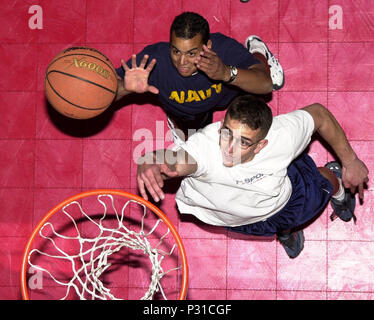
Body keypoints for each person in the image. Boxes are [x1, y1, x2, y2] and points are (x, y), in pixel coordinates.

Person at [136, 95, 369, 259]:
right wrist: (150, 161)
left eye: (243, 142)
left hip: (284, 201)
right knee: (281, 227)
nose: (228, 147)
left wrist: (349, 161)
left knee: (322, 183)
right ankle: (286, 231)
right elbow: (176, 159)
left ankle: (335, 185)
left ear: (261, 145)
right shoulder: (205, 148)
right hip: (237, 219)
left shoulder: (282, 136)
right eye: (226, 134)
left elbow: (319, 114)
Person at [115, 12, 284, 142]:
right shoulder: (153, 60)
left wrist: (226, 73)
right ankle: (179, 124)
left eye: (191, 53)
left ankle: (258, 50)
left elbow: (266, 84)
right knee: (193, 138)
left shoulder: (223, 49)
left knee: (255, 99)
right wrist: (124, 88)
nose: (182, 62)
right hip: (187, 112)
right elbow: (104, 92)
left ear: (207, 46)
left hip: (228, 97)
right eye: (176, 51)